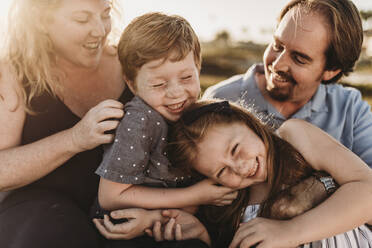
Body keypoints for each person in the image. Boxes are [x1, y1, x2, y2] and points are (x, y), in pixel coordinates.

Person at [92, 13, 236, 247]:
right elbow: (110, 198)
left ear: (198, 67)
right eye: (159, 84)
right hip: (125, 230)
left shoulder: (198, 114)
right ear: (131, 83)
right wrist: (197, 195)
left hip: (169, 219)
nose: (176, 92)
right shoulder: (140, 121)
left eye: (187, 77)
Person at [0, 0, 131, 247]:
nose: (100, 30)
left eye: (105, 15)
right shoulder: (14, 74)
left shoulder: (130, 63)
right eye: (82, 19)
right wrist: (74, 139)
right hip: (38, 218)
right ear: (40, 21)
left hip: (128, 211)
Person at [166, 99, 372, 248]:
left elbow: (368, 190)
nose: (239, 167)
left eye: (235, 149)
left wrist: (289, 231)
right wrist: (206, 239)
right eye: (221, 171)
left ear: (246, 122)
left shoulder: (294, 139)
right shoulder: (234, 211)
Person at [203, 0, 372, 169]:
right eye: (277, 46)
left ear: (332, 70)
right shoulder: (220, 101)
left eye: (299, 58)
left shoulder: (351, 109)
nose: (277, 65)